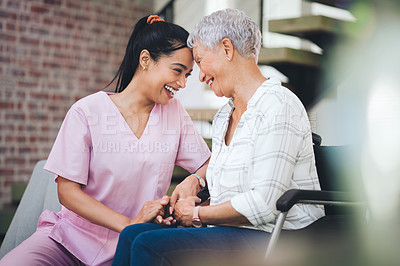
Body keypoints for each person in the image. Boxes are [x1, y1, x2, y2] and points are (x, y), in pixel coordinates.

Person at [111, 8, 325, 266]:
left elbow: (264, 204)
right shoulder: (225, 115)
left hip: (281, 236)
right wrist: (194, 187)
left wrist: (197, 214)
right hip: (234, 231)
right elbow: (229, 189)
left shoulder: (279, 105)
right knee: (133, 234)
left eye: (200, 61)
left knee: (150, 245)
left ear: (227, 49)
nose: (199, 76)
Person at [0, 15, 211, 266]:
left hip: (136, 245)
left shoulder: (174, 113)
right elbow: (67, 192)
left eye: (187, 74)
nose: (182, 83)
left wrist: (194, 180)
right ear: (145, 60)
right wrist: (129, 224)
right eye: (177, 71)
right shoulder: (86, 111)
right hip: (69, 240)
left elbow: (209, 164)